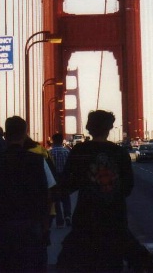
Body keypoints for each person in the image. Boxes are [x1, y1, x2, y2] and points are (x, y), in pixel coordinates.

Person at [0, 116, 56, 272]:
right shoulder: (39, 160)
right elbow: (49, 194)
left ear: (6, 135)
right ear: (25, 134)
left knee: (8, 266)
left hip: (6, 226)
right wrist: (45, 224)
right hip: (33, 225)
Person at [56, 110, 135, 272]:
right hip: (115, 220)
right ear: (110, 128)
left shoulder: (79, 151)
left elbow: (67, 184)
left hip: (86, 220)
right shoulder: (119, 152)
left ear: (88, 128)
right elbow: (128, 187)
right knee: (113, 264)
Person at [49, 132, 72, 227]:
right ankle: (68, 216)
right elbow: (71, 166)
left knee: (56, 199)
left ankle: (59, 221)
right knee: (66, 197)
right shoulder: (67, 152)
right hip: (65, 177)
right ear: (62, 141)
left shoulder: (50, 152)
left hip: (54, 178)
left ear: (53, 141)